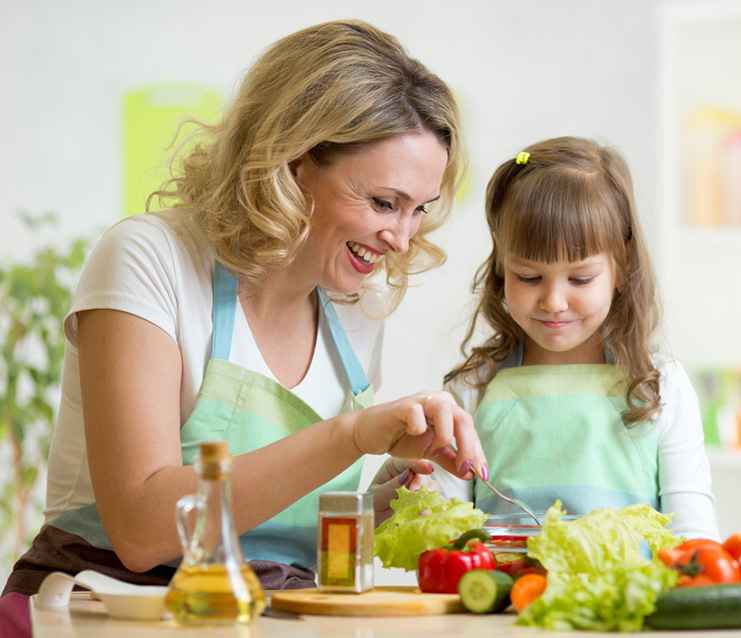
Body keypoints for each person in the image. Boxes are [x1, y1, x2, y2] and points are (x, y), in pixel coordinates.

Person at [2, 19, 487, 597]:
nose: (402, 239)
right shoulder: (151, 259)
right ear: (294, 161)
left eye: (418, 209)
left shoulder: (355, 310)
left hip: (262, 617)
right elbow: (141, 528)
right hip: (101, 612)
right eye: (384, 203)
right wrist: (353, 435)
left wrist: (377, 502)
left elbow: (266, 525)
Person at [432, 137, 719, 539]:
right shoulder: (473, 387)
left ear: (621, 266)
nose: (553, 302)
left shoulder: (660, 386)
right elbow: (445, 536)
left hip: (629, 603)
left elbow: (693, 533)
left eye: (580, 279)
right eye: (528, 277)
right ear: (500, 268)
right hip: (498, 602)